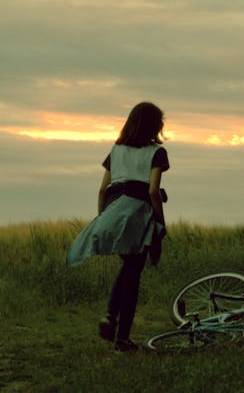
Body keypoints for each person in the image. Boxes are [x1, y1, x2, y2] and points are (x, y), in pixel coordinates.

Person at [66, 101, 169, 352]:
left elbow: (102, 190)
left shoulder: (116, 151)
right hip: (138, 214)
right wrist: (160, 222)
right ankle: (121, 337)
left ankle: (111, 316)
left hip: (113, 210)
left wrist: (103, 219)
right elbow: (153, 191)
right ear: (154, 126)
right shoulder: (156, 152)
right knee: (133, 275)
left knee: (128, 268)